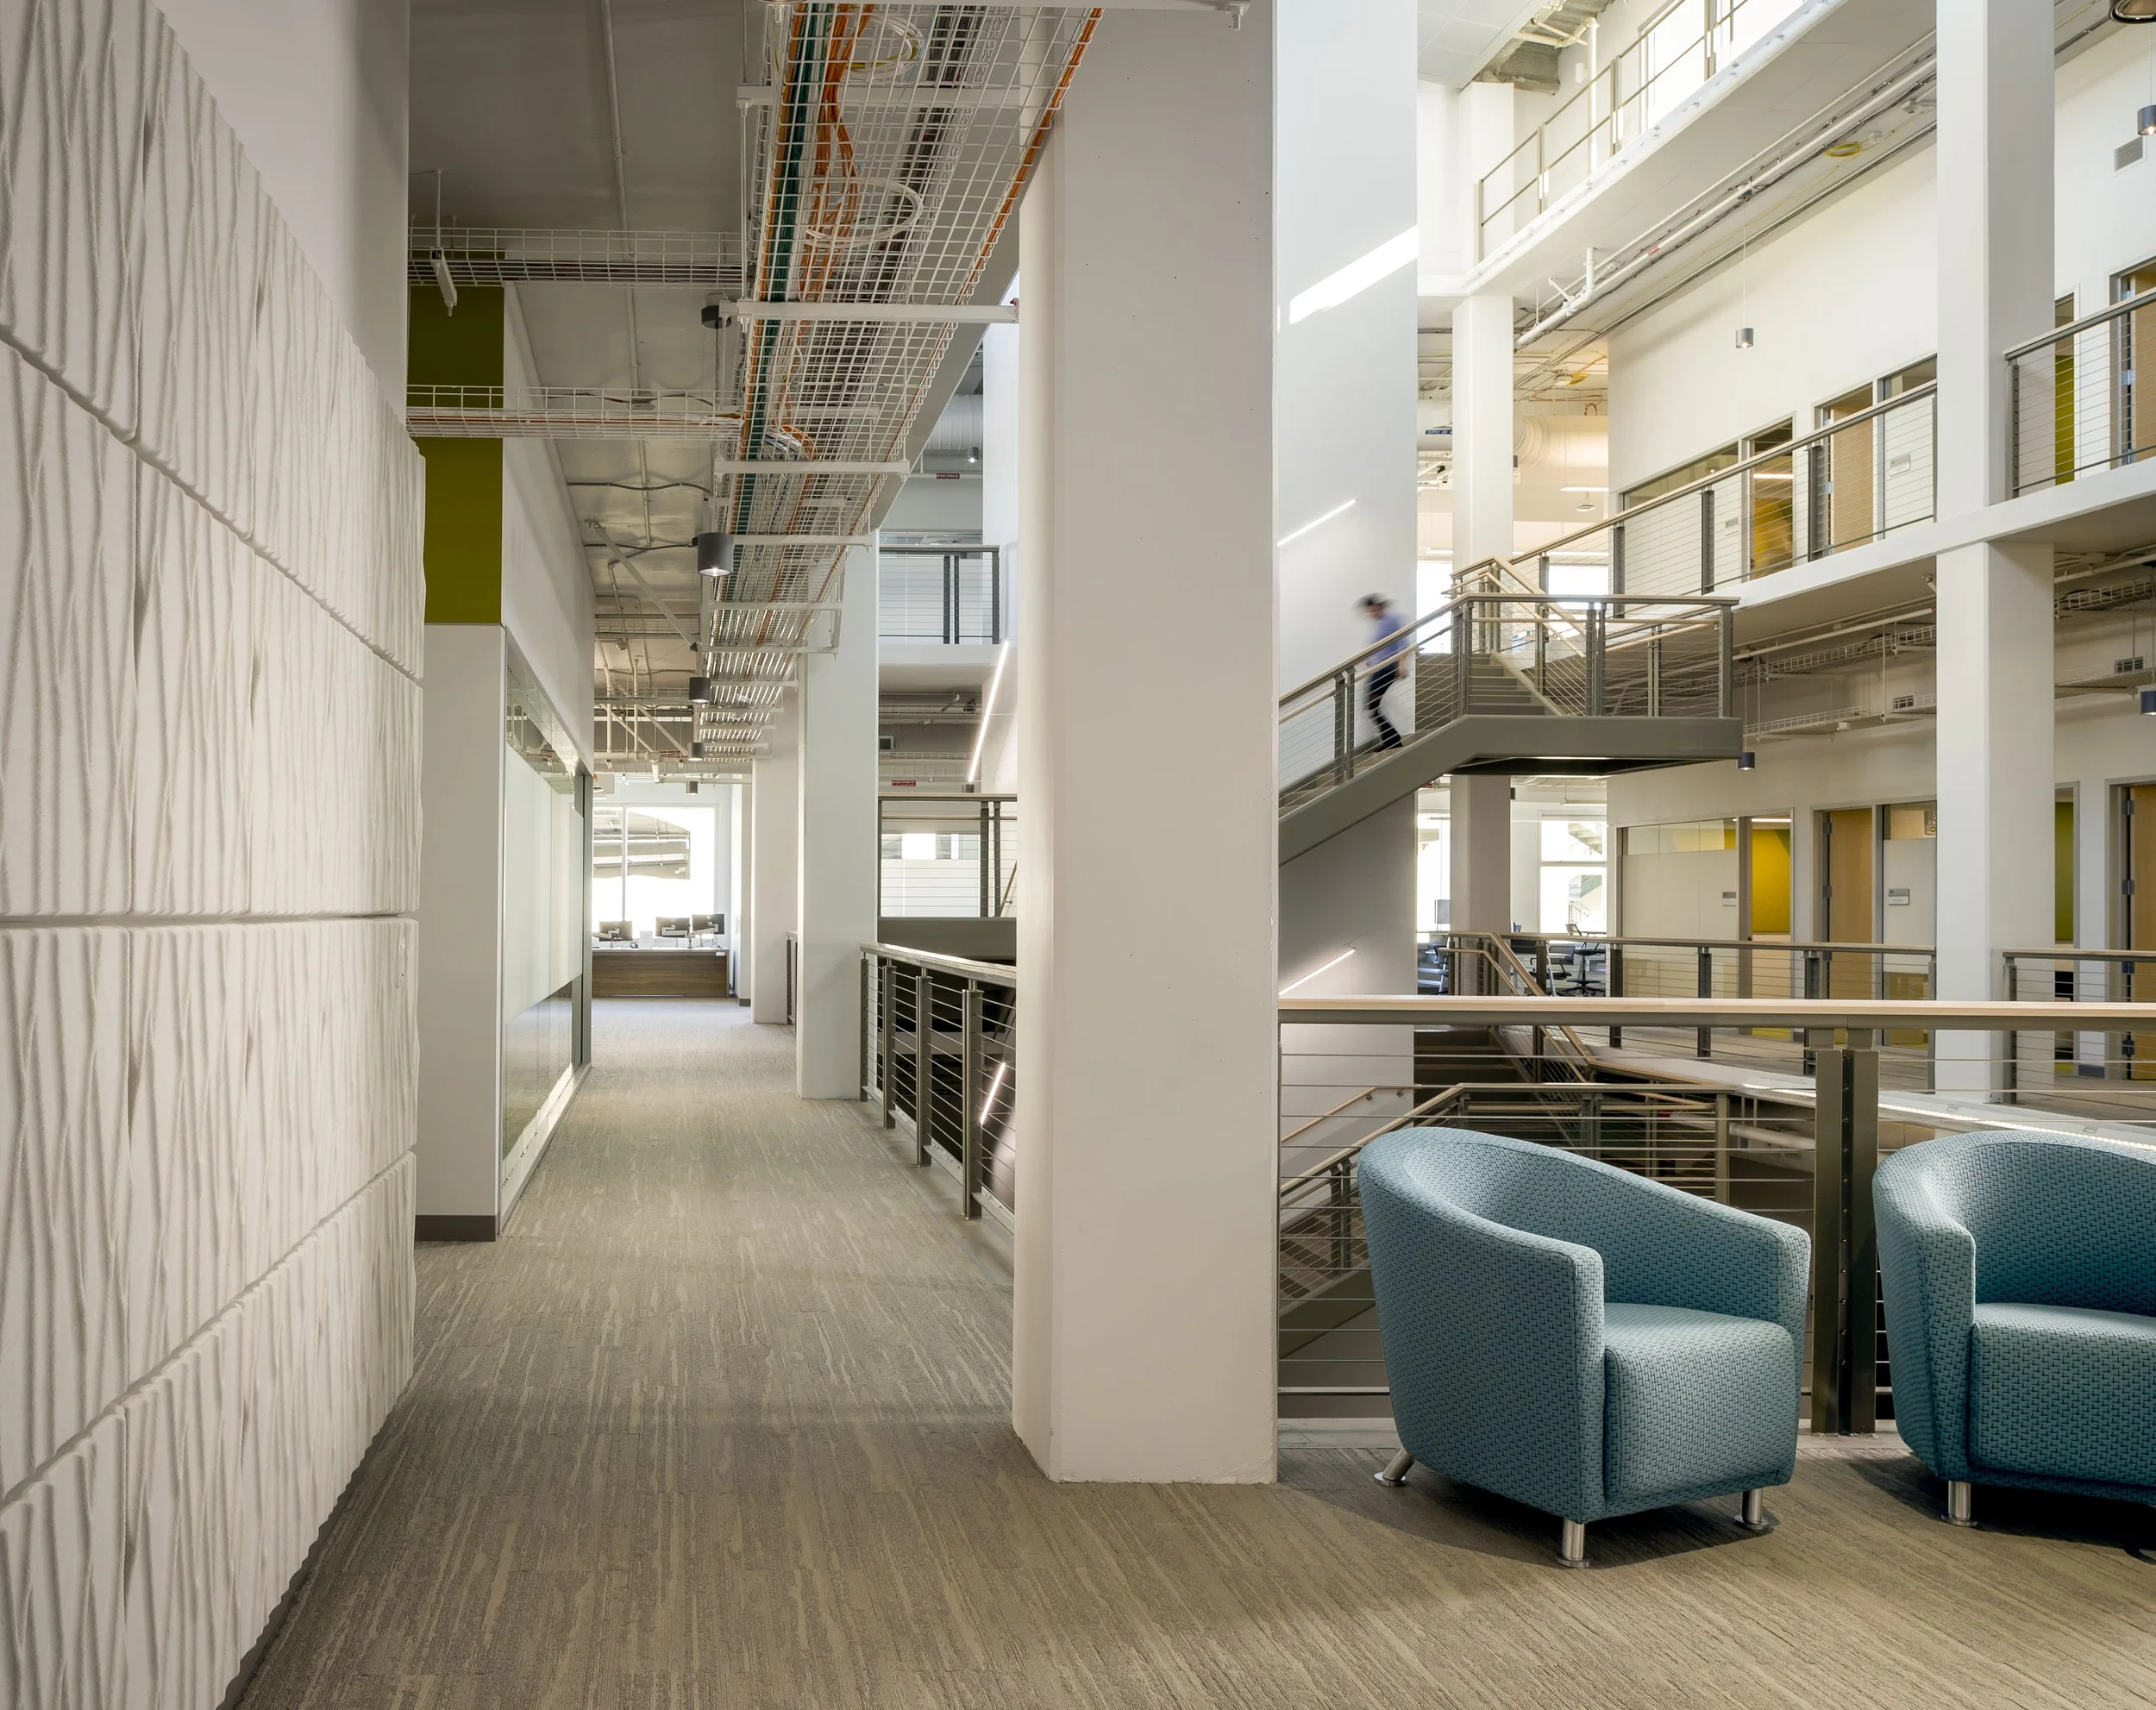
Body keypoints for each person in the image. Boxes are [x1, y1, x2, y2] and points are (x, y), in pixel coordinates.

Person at [1360, 594, 1408, 750]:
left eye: (1371, 610)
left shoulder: (1391, 620)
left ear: (1377, 607)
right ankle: (1391, 741)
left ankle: (1393, 741)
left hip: (1388, 668)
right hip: (1379, 668)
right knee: (1371, 706)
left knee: (1372, 705)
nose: (1370, 614)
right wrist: (1370, 659)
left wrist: (1401, 665)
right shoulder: (1379, 623)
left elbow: (1403, 643)